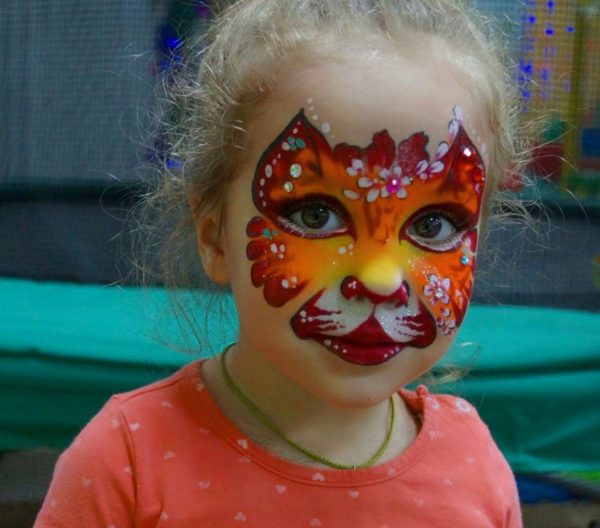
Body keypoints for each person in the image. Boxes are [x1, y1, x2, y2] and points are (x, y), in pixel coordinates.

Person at [35, 0, 526, 526]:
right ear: (214, 236)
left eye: (434, 226)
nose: (381, 281)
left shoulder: (474, 465)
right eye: (315, 215)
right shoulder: (126, 462)